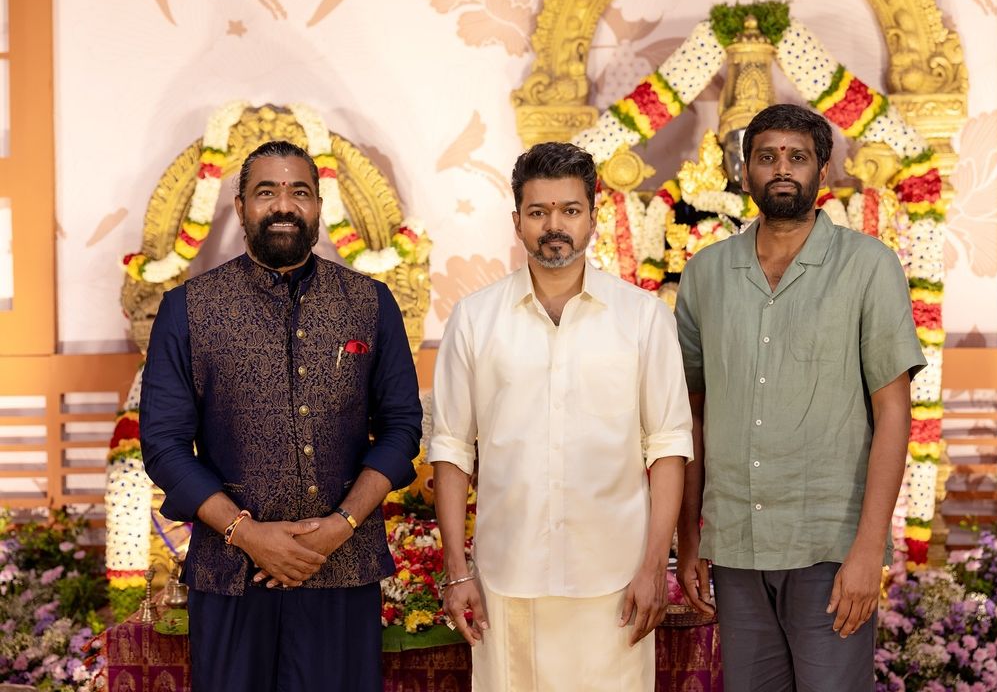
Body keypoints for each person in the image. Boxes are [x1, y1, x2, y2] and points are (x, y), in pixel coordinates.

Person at [141, 140, 421, 691]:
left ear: (318, 206)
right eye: (266, 192)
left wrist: (339, 527)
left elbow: (401, 428)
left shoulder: (369, 302)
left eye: (300, 192)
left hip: (344, 568)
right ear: (241, 205)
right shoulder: (188, 309)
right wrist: (247, 534)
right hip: (231, 574)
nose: (284, 206)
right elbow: (164, 446)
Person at [674, 104, 926, 691]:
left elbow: (893, 411)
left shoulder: (868, 266)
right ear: (745, 171)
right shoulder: (706, 274)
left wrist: (868, 549)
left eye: (797, 157)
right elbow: (690, 413)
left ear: (822, 170)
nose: (782, 168)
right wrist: (690, 538)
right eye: (767, 156)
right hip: (736, 545)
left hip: (829, 546)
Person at [430, 142, 693, 691]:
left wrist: (653, 568)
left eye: (570, 210)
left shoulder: (642, 317)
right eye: (538, 211)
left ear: (593, 217)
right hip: (507, 579)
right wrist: (457, 571)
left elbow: (668, 447)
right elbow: (452, 448)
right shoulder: (475, 319)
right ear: (517, 222)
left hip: (615, 582)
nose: (555, 225)